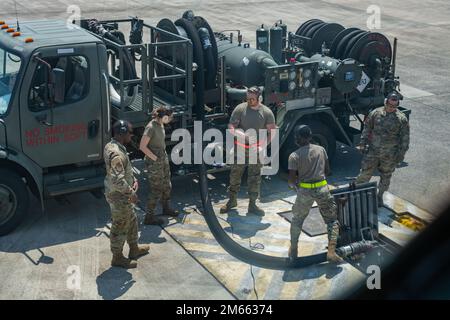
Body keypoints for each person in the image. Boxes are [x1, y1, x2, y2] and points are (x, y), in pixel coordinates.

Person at [287, 125, 343, 263]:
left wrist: (295, 185)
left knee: (297, 220)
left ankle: (293, 250)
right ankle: (331, 251)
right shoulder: (321, 150)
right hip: (322, 189)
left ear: (297, 138)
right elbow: (328, 171)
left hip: (305, 192)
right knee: (331, 221)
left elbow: (292, 180)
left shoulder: (294, 156)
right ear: (310, 137)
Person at [220, 86, 277, 215]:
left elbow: (272, 132)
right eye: (248, 98)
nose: (249, 101)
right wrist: (237, 133)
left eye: (252, 99)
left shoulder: (266, 113)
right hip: (240, 149)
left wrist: (263, 146)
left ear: (259, 98)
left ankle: (252, 204)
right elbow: (231, 126)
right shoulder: (240, 109)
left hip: (256, 151)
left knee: (254, 178)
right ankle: (232, 201)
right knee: (235, 176)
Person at [104, 120, 150, 269]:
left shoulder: (112, 146)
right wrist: (132, 193)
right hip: (119, 197)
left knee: (132, 220)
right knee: (120, 225)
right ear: (122, 133)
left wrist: (133, 179)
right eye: (130, 133)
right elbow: (117, 180)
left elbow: (122, 171)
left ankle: (134, 249)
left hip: (122, 194)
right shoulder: (116, 153)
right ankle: (117, 257)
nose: (132, 136)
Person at [355, 91, 410, 207]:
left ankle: (379, 196)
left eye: (394, 106)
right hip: (373, 151)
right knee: (364, 174)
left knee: (386, 176)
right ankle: (357, 195)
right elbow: (367, 129)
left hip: (389, 155)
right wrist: (362, 143)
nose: (391, 108)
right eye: (389, 105)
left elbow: (404, 139)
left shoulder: (401, 119)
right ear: (386, 102)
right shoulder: (376, 113)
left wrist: (401, 155)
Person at [140, 106, 178, 225]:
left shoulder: (160, 124)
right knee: (156, 189)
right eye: (170, 117)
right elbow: (142, 146)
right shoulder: (151, 127)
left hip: (163, 157)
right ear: (165, 117)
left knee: (167, 185)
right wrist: (155, 158)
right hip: (155, 161)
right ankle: (149, 217)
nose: (171, 119)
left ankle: (166, 208)